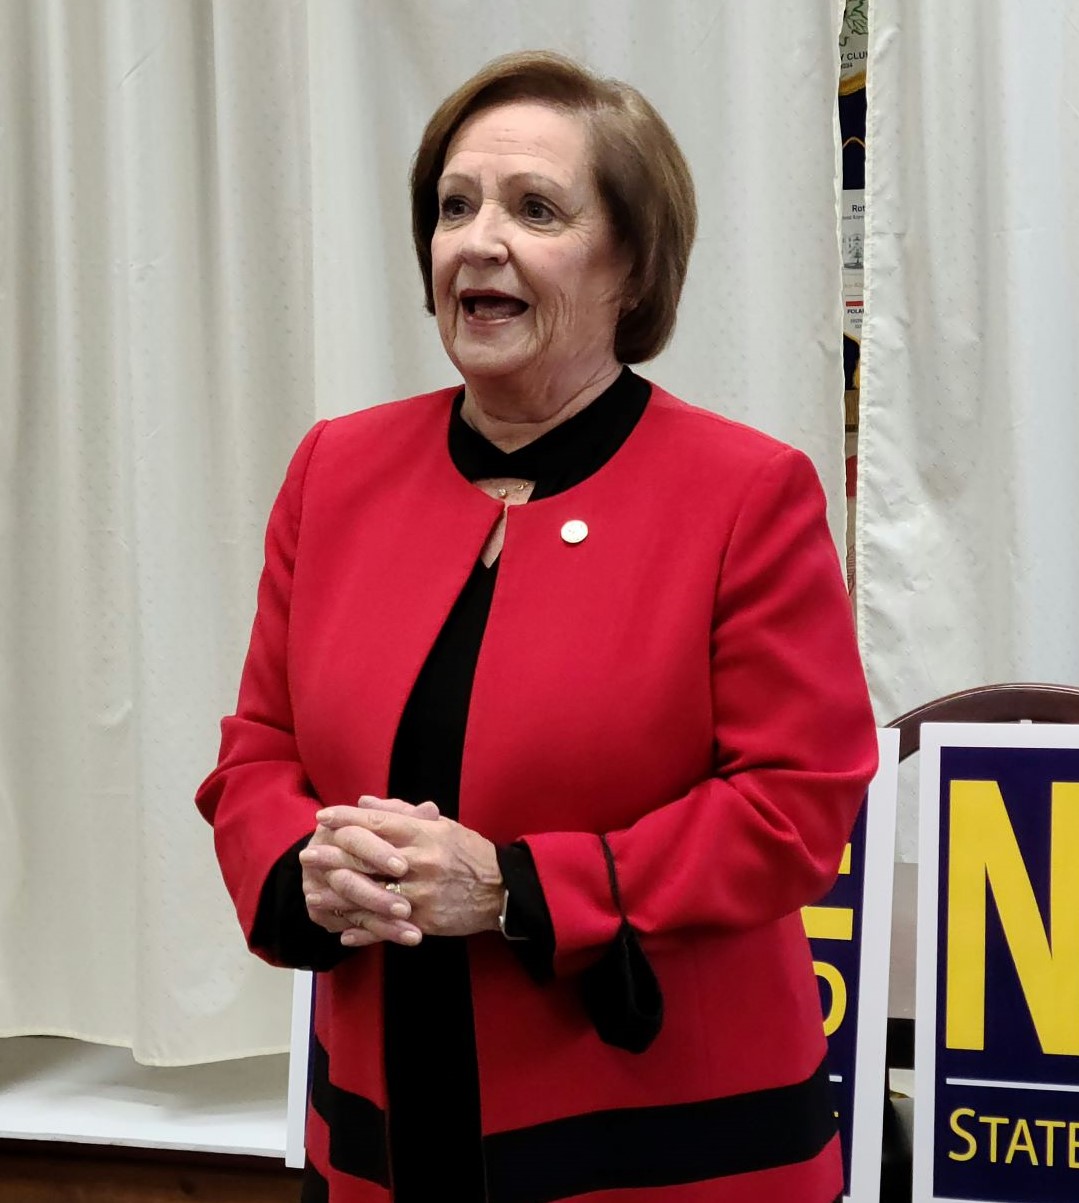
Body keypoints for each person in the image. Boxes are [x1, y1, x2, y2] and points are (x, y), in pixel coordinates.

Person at [197, 50, 877, 1203]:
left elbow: (793, 806)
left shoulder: (744, 493)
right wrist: (299, 863)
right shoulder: (335, 470)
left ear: (632, 265)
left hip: (659, 1143)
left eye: (535, 209)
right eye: (454, 206)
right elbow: (259, 748)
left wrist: (517, 886)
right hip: (384, 1128)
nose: (478, 241)